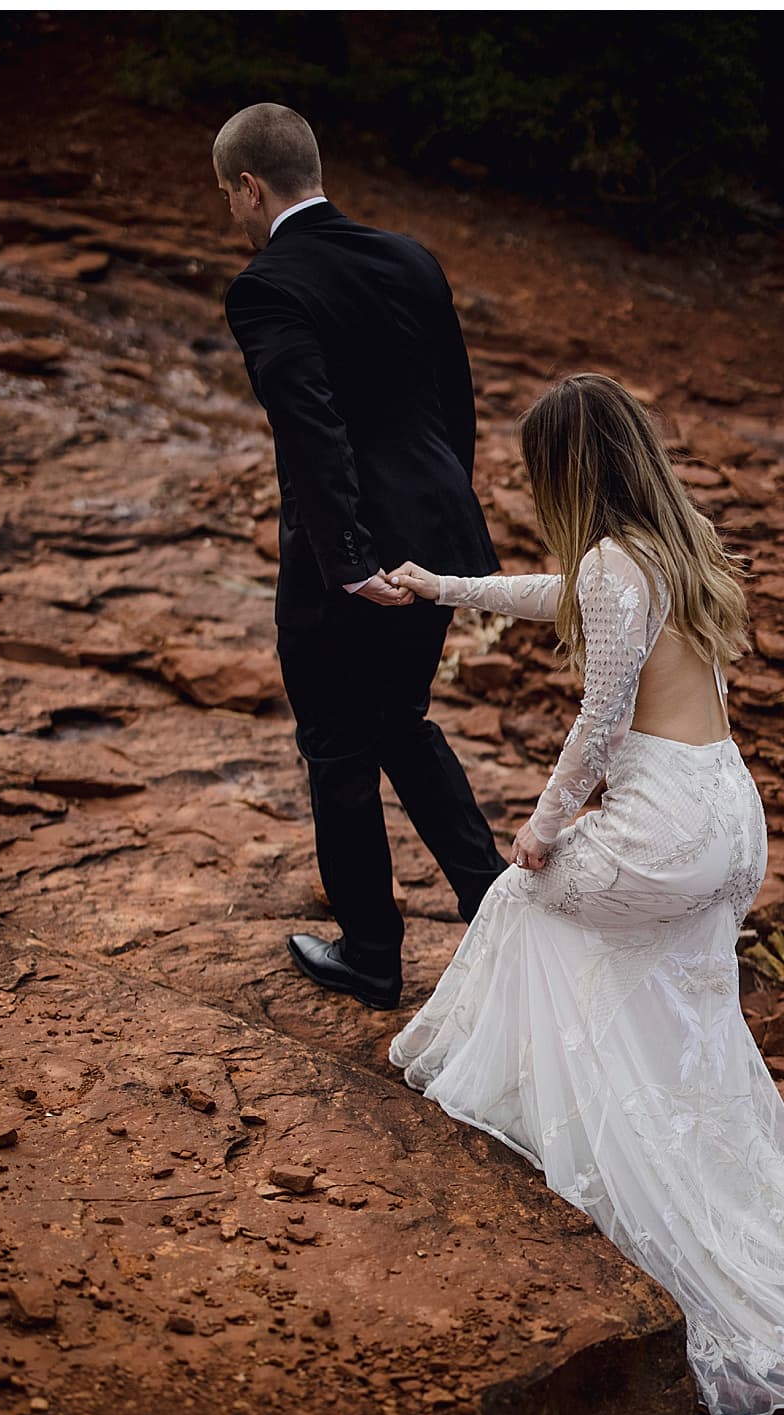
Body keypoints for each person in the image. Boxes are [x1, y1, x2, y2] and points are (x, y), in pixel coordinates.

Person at [385, 373, 784, 1415]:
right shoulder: (664, 546)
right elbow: (554, 597)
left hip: (665, 830)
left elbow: (598, 721)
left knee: (519, 904)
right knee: (668, 1002)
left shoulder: (608, 561)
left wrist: (544, 829)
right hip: (729, 815)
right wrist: (439, 585)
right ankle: (668, 1146)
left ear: (567, 469)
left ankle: (550, 1131)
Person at [215, 103, 508, 1012]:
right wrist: (436, 531)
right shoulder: (410, 257)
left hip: (347, 562)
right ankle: (499, 914)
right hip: (437, 539)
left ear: (251, 186)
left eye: (228, 195)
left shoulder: (267, 283)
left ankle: (372, 956)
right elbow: (452, 407)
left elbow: (312, 429)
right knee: (399, 722)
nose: (231, 211)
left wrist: (347, 559)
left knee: (338, 746)